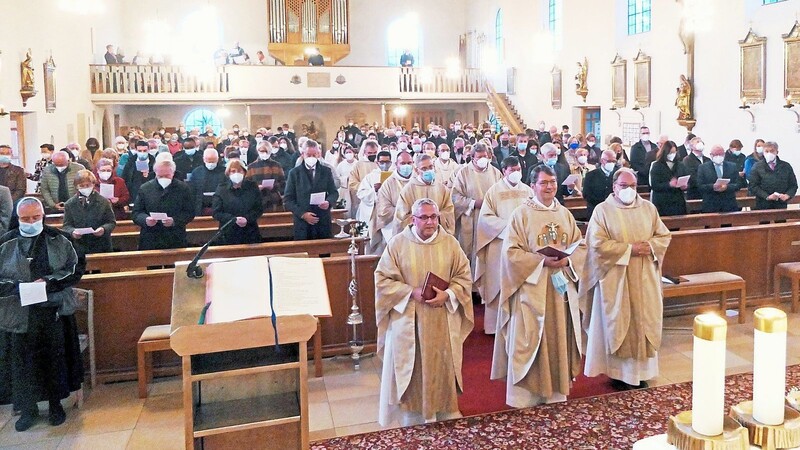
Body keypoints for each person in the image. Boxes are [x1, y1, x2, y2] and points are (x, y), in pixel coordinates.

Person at [491, 165, 584, 407]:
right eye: (544, 183)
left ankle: (555, 391)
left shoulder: (564, 214)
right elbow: (510, 253)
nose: (550, 187)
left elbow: (580, 246)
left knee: (559, 337)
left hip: (560, 290)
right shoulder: (521, 215)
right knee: (530, 338)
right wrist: (540, 260)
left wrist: (568, 259)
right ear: (533, 186)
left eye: (552, 182)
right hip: (532, 289)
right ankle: (526, 395)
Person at [375, 198, 473, 427]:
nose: (430, 222)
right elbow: (382, 279)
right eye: (424, 217)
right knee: (414, 365)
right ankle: (414, 413)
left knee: (443, 362)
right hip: (410, 319)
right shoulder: (398, 244)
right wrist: (410, 292)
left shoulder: (450, 243)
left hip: (442, 317)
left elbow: (464, 276)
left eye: (434, 217)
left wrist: (448, 295)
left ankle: (445, 409)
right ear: (413, 219)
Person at [0, 197, 85, 431]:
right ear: (17, 219)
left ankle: (56, 405)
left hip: (52, 310)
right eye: (25, 219)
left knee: (54, 359)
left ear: (43, 217)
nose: (31, 222)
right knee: (23, 363)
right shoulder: (5, 242)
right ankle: (27, 410)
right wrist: (16, 286)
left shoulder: (60, 239)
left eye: (35, 218)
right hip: (17, 314)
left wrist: (48, 281)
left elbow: (76, 268)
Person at [582, 168, 671, 390]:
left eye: (632, 186)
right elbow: (596, 244)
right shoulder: (602, 211)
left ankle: (642, 372)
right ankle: (619, 373)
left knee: (645, 320)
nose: (628, 190)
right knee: (620, 323)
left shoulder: (648, 208)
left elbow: (663, 235)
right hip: (616, 278)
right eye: (623, 186)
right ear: (614, 187)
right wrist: (629, 249)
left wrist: (649, 246)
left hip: (645, 277)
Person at [474, 157, 533, 335]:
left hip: (523, 246)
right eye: (512, 169)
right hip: (499, 244)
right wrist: (509, 227)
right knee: (497, 284)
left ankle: (519, 326)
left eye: (518, 170)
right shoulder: (494, 191)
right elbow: (485, 219)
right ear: (504, 170)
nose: (516, 173)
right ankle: (494, 327)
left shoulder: (528, 190)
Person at [451, 142, 503, 271]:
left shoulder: (495, 173)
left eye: (485, 156)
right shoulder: (463, 173)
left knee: (489, 252)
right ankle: (470, 286)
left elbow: (502, 193)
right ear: (472, 157)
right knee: (469, 251)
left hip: (490, 220)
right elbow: (455, 197)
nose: (482, 159)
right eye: (479, 157)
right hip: (471, 219)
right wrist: (473, 203)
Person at [131, 159, 196, 250]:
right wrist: (145, 219)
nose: (163, 179)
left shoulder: (183, 188)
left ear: (173, 173)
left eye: (167, 176)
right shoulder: (145, 188)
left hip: (175, 238)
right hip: (151, 238)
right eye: (160, 176)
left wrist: (174, 221)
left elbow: (189, 212)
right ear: (155, 173)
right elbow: (136, 213)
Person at [283, 140, 338, 240]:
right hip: (302, 222)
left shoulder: (326, 171)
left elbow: (334, 192)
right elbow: (288, 199)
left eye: (314, 154)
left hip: (322, 220)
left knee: (324, 251)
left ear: (318, 154)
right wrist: (303, 214)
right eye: (309, 155)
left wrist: (328, 202)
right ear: (302, 154)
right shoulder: (294, 173)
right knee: (304, 253)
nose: (312, 157)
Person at [394, 154, 455, 234]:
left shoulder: (442, 189)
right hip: (416, 236)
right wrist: (421, 219)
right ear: (416, 170)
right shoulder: (408, 190)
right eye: (424, 168)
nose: (428, 170)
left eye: (430, 167)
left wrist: (436, 216)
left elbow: (449, 211)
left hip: (438, 234)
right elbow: (401, 218)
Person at [370, 151, 414, 256]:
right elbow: (383, 211)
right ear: (396, 164)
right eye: (403, 163)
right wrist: (407, 212)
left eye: (409, 163)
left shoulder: (418, 181)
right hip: (393, 227)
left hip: (419, 228)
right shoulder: (388, 184)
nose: (406, 166)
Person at [62, 170, 116, 254]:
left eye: (88, 185)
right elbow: (66, 226)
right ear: (76, 186)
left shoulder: (104, 201)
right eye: (81, 186)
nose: (85, 188)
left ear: (93, 184)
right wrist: (72, 232)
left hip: (101, 245)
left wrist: (103, 229)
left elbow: (111, 222)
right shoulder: (70, 204)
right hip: (79, 247)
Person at [212, 160, 263, 245]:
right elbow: (216, 212)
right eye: (233, 171)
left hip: (250, 231)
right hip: (228, 233)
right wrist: (233, 219)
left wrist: (247, 219)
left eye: (239, 171)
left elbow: (259, 208)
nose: (236, 173)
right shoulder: (222, 189)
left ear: (244, 172)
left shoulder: (252, 187)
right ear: (228, 173)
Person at [748, 141, 798, 210]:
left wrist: (788, 195)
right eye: (766, 151)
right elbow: (753, 186)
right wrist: (767, 196)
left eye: (772, 151)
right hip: (763, 203)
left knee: (781, 220)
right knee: (764, 220)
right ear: (763, 152)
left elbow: (793, 185)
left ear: (777, 152)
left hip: (780, 203)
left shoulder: (786, 166)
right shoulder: (757, 167)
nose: (769, 153)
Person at [356, 150, 393, 235]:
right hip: (373, 211)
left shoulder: (394, 176)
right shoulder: (370, 177)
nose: (385, 165)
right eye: (382, 162)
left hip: (389, 212)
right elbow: (360, 194)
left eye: (387, 162)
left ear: (391, 163)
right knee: (372, 238)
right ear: (377, 162)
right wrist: (374, 190)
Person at [697, 145, 743, 213]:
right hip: (711, 205)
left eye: (720, 154)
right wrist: (713, 186)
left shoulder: (732, 166)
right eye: (716, 154)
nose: (718, 156)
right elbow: (699, 186)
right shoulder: (703, 168)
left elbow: (738, 184)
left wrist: (727, 187)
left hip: (729, 204)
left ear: (724, 154)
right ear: (711, 155)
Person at [648, 141, 689, 216]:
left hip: (677, 201)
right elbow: (654, 185)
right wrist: (669, 184)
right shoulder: (657, 165)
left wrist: (685, 186)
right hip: (663, 202)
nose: (672, 155)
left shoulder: (680, 165)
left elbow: (685, 178)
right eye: (670, 152)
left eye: (674, 152)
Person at [245, 141, 286, 212]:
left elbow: (283, 183)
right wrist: (257, 187)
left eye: (267, 151)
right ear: (258, 151)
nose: (264, 153)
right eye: (262, 151)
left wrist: (274, 186)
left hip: (274, 199)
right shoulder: (251, 167)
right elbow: (246, 185)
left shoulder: (277, 165)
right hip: (257, 199)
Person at [348, 140, 380, 220]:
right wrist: (368, 189)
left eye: (375, 152)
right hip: (365, 201)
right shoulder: (358, 165)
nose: (373, 155)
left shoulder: (381, 163)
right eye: (370, 153)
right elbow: (352, 183)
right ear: (364, 152)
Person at [188, 149, 226, 216]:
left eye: (213, 161)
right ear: (204, 159)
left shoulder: (225, 172)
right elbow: (192, 192)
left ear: (217, 159)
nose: (211, 163)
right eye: (208, 160)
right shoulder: (196, 172)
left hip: (221, 208)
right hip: (201, 208)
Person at [582, 150, 618, 220]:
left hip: (613, 211)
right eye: (609, 161)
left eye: (614, 161)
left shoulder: (618, 174)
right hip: (595, 211)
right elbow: (586, 194)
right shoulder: (591, 175)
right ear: (602, 161)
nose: (612, 163)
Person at [682, 136, 709, 200]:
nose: (700, 143)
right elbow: (691, 176)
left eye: (701, 142)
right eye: (697, 142)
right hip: (694, 192)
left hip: (707, 192)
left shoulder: (707, 159)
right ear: (691, 146)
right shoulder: (687, 160)